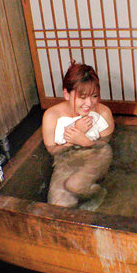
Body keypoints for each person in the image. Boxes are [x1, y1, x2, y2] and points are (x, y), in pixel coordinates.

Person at [42, 63, 115, 209]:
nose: (89, 103)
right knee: (59, 206)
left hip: (96, 154)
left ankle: (98, 192)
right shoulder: (52, 116)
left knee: (75, 186)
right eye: (82, 97)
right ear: (66, 94)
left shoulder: (103, 113)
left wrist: (88, 143)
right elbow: (52, 150)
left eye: (94, 96)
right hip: (66, 159)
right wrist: (73, 138)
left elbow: (106, 143)